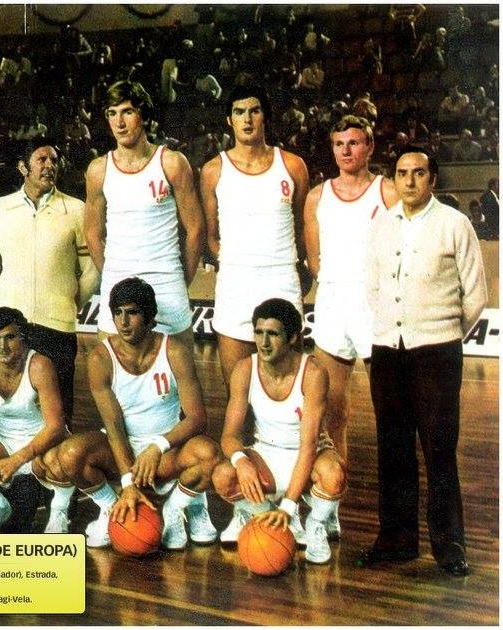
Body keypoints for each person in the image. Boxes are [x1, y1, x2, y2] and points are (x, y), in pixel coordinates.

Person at [361, 146, 487, 576]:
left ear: (432, 179)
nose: (409, 181)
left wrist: (442, 335)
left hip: (437, 353)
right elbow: (373, 289)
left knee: (439, 450)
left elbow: (475, 296)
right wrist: (391, 330)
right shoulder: (381, 224)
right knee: (392, 449)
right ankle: (397, 541)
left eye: (418, 173)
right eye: (402, 173)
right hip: (388, 351)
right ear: (394, 179)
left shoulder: (455, 224)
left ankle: (449, 546)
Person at [40, 278, 219, 549]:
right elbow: (114, 427)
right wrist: (128, 483)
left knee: (209, 453)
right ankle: (112, 507)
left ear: (149, 317)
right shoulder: (101, 358)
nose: (123, 322)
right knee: (69, 454)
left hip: (166, 452)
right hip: (122, 446)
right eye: (118, 313)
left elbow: (197, 418)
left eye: (132, 313)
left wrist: (157, 446)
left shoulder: (174, 351)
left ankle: (175, 509)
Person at [301, 115, 399, 538]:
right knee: (333, 412)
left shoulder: (387, 190)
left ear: (370, 147)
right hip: (333, 303)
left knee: (391, 412)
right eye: (339, 143)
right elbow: (315, 261)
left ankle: (396, 513)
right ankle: (329, 506)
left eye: (354, 143)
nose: (346, 150)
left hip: (375, 304)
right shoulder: (317, 196)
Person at [212, 298, 346, 563]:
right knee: (223, 475)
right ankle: (260, 514)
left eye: (273, 334)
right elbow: (229, 436)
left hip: (309, 454)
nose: (264, 342)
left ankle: (315, 524)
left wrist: (289, 505)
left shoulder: (313, 372)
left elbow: (308, 446)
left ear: (292, 337)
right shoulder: (245, 369)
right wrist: (241, 462)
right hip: (267, 453)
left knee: (333, 474)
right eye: (259, 332)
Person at [0, 140, 99, 423]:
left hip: (58, 325)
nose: (49, 166)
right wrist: (8, 301)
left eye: (54, 160)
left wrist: (70, 302)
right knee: (16, 408)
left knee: (60, 413)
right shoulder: (0, 208)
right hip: (13, 328)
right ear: (23, 167)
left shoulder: (76, 209)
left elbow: (92, 268)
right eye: (41, 159)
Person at [84, 81, 205, 353]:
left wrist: (180, 279)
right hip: (118, 283)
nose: (119, 122)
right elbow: (92, 233)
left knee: (179, 369)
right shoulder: (98, 170)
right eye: (112, 113)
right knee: (113, 370)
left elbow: (196, 228)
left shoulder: (172, 162)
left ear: (143, 115)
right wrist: (112, 273)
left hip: (166, 282)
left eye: (127, 112)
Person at [200, 85, 309, 386]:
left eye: (254, 111)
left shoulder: (292, 165)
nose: (247, 119)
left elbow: (301, 228)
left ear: (265, 117)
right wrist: (235, 263)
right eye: (239, 112)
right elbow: (211, 236)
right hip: (235, 284)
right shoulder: (213, 170)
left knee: (288, 389)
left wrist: (290, 266)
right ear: (229, 120)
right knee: (238, 389)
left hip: (281, 280)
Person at [0, 307, 68, 533]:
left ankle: (59, 510)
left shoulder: (39, 365)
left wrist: (17, 460)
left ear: (23, 337)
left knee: (61, 460)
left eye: (10, 337)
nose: (2, 346)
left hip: (42, 443)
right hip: (3, 440)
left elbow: (56, 427)